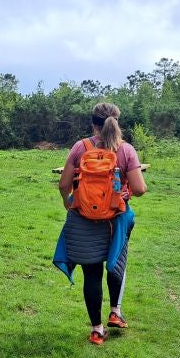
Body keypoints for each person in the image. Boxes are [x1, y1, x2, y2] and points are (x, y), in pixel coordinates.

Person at [57, 102, 147, 345]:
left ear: (92, 124)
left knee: (92, 273)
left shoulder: (81, 147)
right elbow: (139, 189)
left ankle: (97, 330)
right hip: (115, 219)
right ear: (117, 123)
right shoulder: (126, 150)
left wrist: (68, 202)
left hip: (83, 219)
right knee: (117, 262)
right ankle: (115, 312)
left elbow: (64, 184)